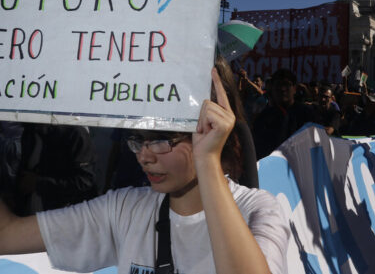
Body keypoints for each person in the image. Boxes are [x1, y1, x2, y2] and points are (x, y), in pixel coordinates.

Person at [0, 68, 290, 274]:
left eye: (162, 139)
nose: (144, 156)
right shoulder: (125, 208)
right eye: (137, 139)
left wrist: (208, 162)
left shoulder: (258, 210)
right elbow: (8, 235)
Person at [253, 68, 315, 160]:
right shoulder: (263, 118)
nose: (282, 89)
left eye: (286, 85)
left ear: (294, 88)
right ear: (272, 88)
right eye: (278, 85)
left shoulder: (307, 114)